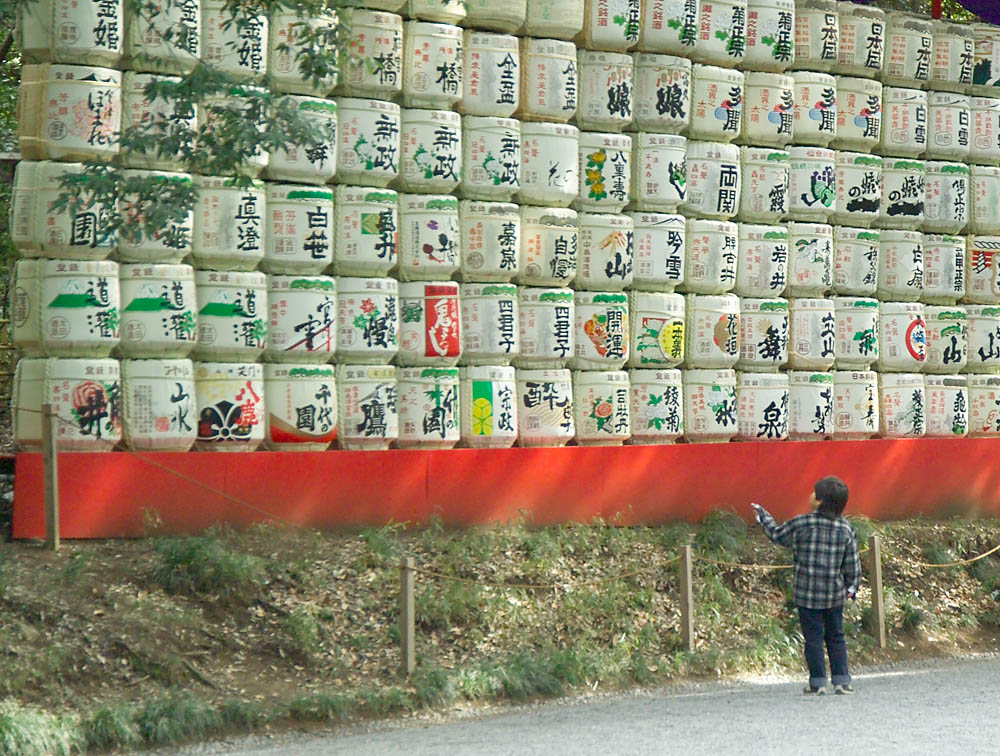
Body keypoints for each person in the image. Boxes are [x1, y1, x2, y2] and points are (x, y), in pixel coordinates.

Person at [751, 476, 862, 696]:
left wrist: (764, 517)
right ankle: (842, 681)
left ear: (819, 501)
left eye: (815, 493)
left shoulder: (802, 523)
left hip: (807, 593)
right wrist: (852, 587)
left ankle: (818, 683)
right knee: (836, 636)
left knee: (813, 638)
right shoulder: (845, 528)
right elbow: (852, 562)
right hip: (834, 594)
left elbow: (777, 535)